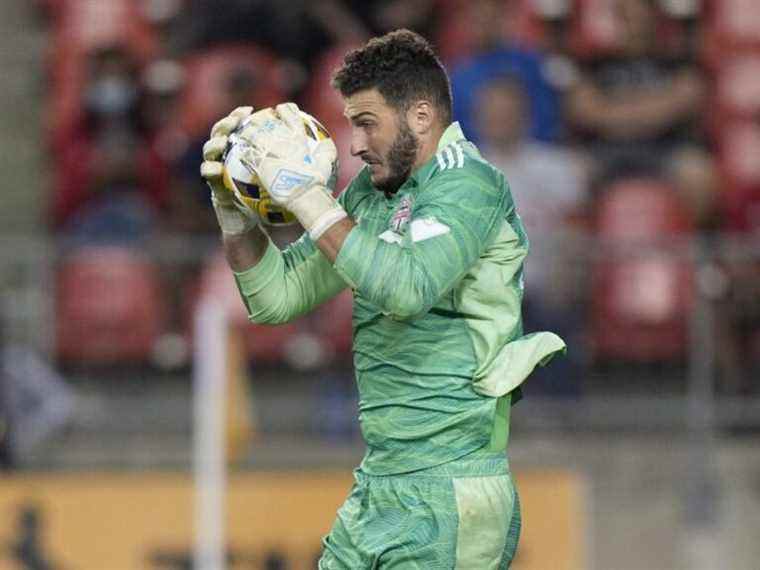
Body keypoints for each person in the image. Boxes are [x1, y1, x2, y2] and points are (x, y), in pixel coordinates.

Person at [200, 29, 565, 568]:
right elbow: (275, 299)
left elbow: (407, 288)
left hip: (452, 487)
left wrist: (305, 196)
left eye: (367, 123)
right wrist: (235, 218)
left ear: (420, 116)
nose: (355, 143)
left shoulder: (471, 186)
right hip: (380, 485)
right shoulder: (370, 195)